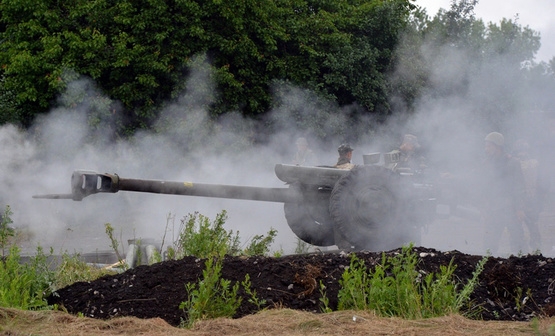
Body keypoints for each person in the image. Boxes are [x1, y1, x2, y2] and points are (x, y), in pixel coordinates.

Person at [478, 132, 527, 255]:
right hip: (494, 209)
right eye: (486, 146)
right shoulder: (486, 163)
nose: (486, 149)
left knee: (518, 244)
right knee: (489, 245)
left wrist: (519, 209)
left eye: (489, 146)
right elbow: (477, 180)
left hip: (511, 209)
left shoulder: (512, 163)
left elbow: (519, 187)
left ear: (497, 146)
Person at [512, 139, 542, 252]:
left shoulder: (532, 163)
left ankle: (537, 250)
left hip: (530, 199)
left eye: (523, 151)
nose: (522, 154)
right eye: (519, 151)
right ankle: (520, 252)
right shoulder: (515, 163)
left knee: (533, 226)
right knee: (516, 229)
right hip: (519, 199)